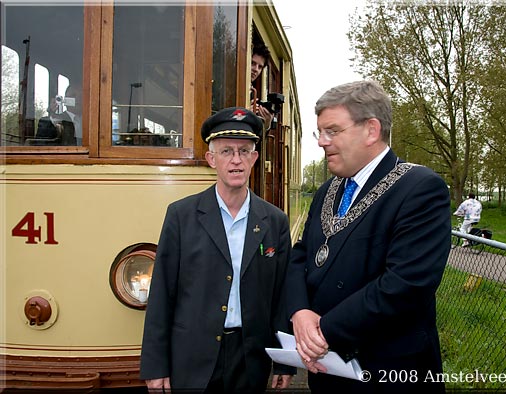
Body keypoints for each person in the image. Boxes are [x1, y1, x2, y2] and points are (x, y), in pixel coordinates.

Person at [285, 80, 450, 393]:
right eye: (319, 132)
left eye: (332, 131)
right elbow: (301, 255)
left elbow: (405, 284)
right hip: (328, 369)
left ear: (371, 130)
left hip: (387, 371)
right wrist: (299, 312)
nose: (322, 142)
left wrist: (321, 331)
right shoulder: (327, 191)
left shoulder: (420, 188)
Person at [140, 107, 295, 392]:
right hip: (192, 359)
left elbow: (281, 296)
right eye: (226, 152)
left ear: (254, 159)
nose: (236, 160)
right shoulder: (181, 216)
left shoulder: (274, 221)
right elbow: (162, 293)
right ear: (212, 159)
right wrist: (156, 365)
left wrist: (285, 361)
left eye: (244, 151)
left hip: (250, 360)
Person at [250, 43, 274, 130]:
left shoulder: (253, 93)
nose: (256, 69)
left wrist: (266, 125)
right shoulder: (231, 87)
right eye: (252, 63)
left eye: (260, 67)